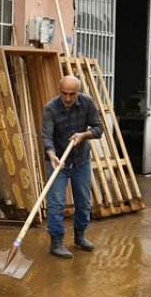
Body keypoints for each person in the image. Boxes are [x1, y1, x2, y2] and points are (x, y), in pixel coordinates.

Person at [40, 75, 105, 258]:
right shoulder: (50, 109)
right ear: (59, 90)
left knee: (84, 202)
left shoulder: (87, 103)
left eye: (72, 94)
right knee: (56, 203)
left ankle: (80, 236)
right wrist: (52, 155)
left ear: (78, 92)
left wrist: (83, 135)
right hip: (57, 161)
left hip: (80, 160)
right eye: (64, 93)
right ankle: (56, 242)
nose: (68, 98)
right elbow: (46, 137)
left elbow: (98, 129)